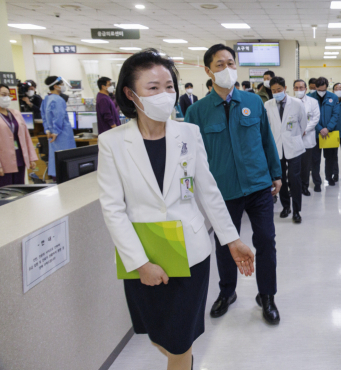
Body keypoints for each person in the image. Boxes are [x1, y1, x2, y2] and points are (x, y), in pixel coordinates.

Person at [97, 49, 254, 370]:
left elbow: (209, 192)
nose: (165, 95)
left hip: (191, 253)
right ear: (130, 93)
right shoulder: (112, 142)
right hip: (145, 254)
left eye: (169, 86)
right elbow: (113, 208)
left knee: (181, 338)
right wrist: (139, 263)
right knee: (157, 335)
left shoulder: (188, 133)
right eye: (153, 88)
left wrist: (232, 239)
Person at [185, 44, 282, 325]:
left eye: (230, 63)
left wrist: (276, 173)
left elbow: (267, 141)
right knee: (226, 242)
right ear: (207, 70)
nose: (226, 69)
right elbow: (192, 156)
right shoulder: (198, 112)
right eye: (219, 64)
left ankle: (267, 296)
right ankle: (227, 292)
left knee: (265, 241)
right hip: (222, 191)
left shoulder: (253, 103)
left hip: (258, 185)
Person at [264, 77, 306, 223]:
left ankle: (296, 210)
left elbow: (303, 123)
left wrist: (294, 137)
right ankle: (285, 207)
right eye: (273, 91)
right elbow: (266, 127)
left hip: (294, 146)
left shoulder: (297, 103)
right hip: (276, 147)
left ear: (285, 88)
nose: (276, 93)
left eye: (279, 90)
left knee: (294, 179)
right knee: (279, 179)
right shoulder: (267, 105)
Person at [0, 84, 37, 186]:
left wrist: (31, 157)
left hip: (19, 156)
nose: (6, 98)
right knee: (6, 192)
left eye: (8, 95)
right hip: (4, 160)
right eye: (3, 95)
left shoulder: (16, 113)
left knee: (19, 189)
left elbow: (26, 136)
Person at [41, 76, 76, 180]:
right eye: (61, 84)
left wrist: (47, 129)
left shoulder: (46, 99)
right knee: (66, 162)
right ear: (56, 86)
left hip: (52, 135)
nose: (63, 86)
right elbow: (59, 117)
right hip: (62, 135)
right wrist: (56, 132)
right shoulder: (59, 100)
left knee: (55, 159)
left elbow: (43, 115)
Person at [308, 77, 339, 189]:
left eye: (324, 90)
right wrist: (320, 128)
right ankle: (317, 182)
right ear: (315, 87)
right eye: (320, 90)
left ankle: (329, 177)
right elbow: (309, 117)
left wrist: (328, 128)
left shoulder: (333, 97)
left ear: (327, 87)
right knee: (315, 160)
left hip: (329, 134)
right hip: (315, 134)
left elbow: (336, 115)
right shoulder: (309, 98)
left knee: (330, 158)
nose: (322, 92)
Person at [293, 79, 320, 196]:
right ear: (293, 89)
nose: (299, 90)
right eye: (296, 88)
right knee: (294, 166)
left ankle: (304, 186)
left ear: (306, 89)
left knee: (305, 166)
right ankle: (293, 188)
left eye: (301, 88)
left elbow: (315, 119)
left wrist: (304, 130)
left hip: (307, 138)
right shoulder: (290, 101)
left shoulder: (313, 102)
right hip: (293, 139)